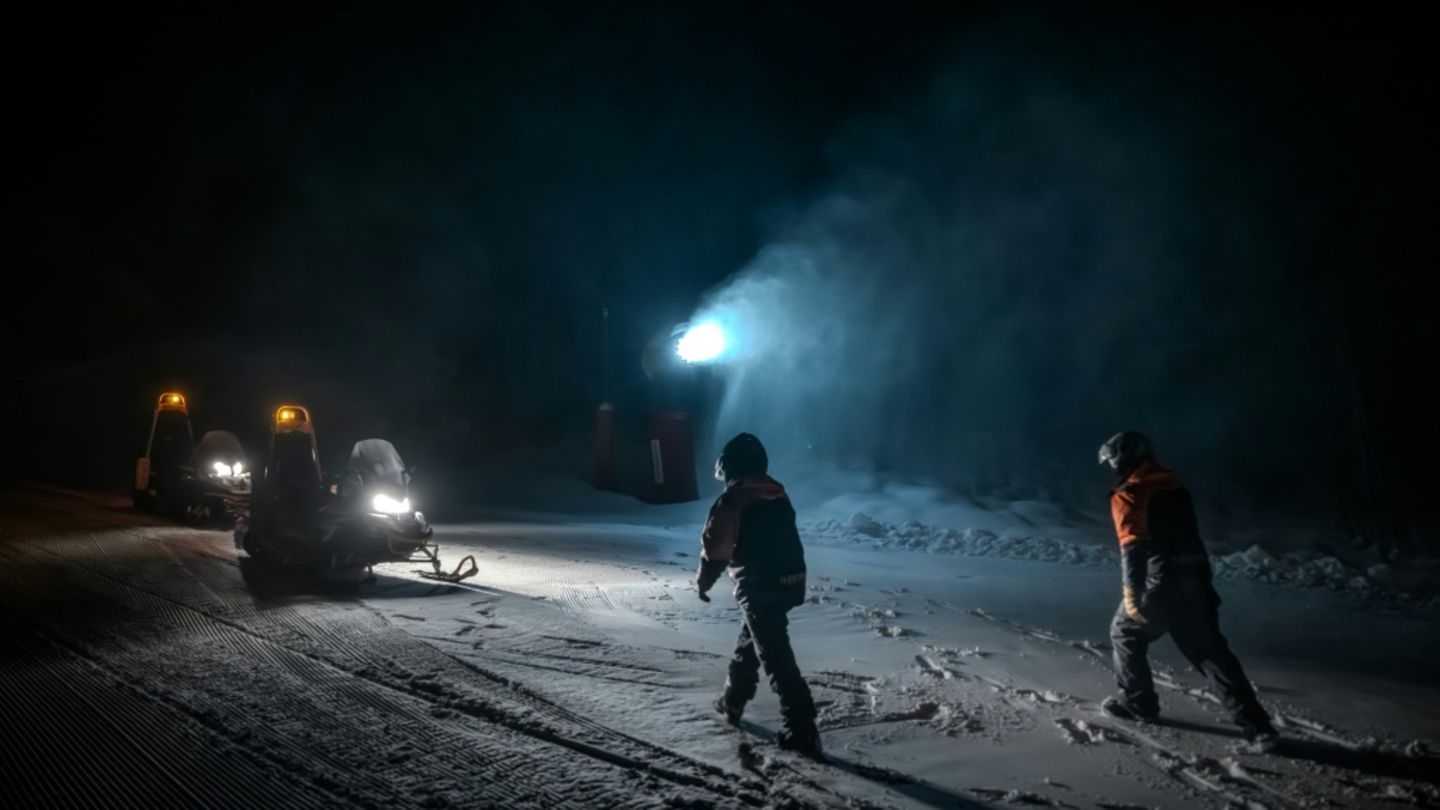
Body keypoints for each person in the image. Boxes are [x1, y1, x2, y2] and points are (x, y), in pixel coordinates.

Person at [1098, 431, 1278, 747]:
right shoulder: (1173, 486)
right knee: (1211, 653)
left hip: (1162, 583)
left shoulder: (1131, 493)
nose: (1112, 464)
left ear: (1125, 456)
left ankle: (1139, 705)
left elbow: (1133, 547)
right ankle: (1259, 728)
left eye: (1113, 458)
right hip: (1196, 579)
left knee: (1124, 632)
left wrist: (1132, 593)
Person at [696, 433, 821, 757]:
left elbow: (717, 549)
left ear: (731, 468)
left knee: (776, 656)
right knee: (752, 640)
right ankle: (732, 701)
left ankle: (802, 728)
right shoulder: (778, 494)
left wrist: (704, 581)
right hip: (790, 581)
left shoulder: (733, 500)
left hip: (759, 584)